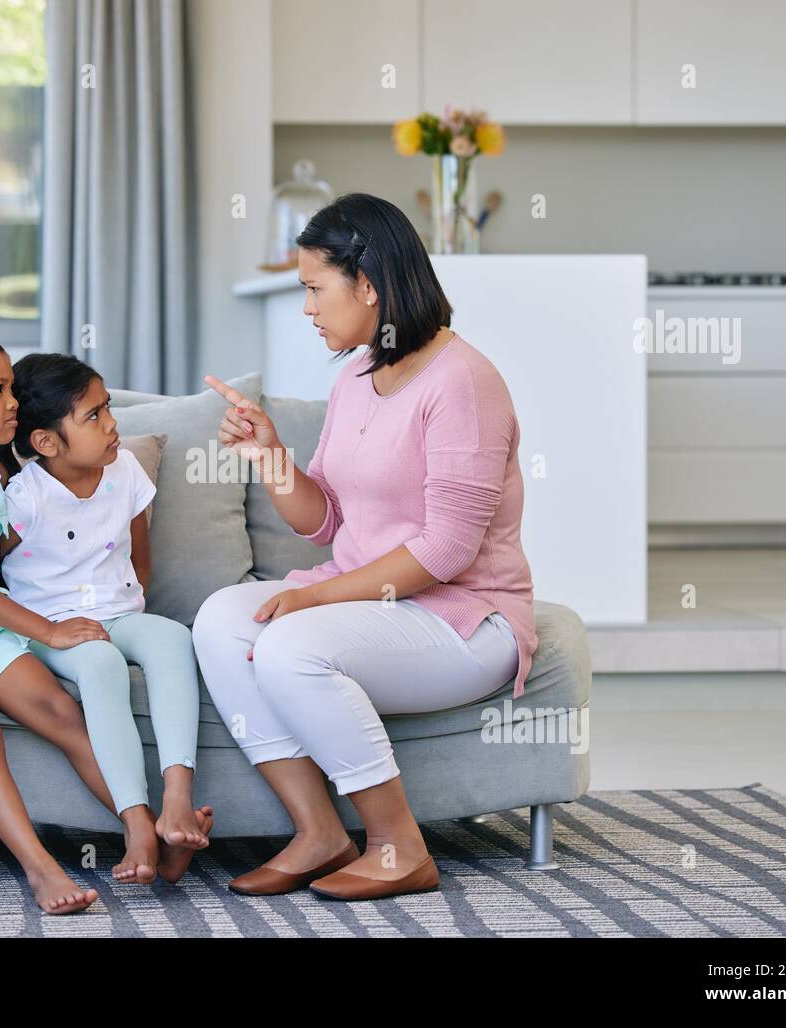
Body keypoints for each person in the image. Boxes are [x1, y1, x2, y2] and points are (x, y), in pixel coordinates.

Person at [191, 193, 538, 901]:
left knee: (291, 646)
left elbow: (445, 551)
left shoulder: (463, 383)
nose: (309, 309)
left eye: (316, 288)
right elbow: (325, 521)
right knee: (221, 619)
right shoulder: (357, 373)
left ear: (369, 285)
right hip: (373, 602)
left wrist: (312, 598)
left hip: (466, 619)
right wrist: (269, 455)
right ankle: (319, 830)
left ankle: (400, 847)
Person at [0, 352, 209, 886]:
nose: (113, 423)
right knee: (99, 664)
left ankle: (177, 798)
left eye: (108, 407)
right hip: (53, 624)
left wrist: (130, 604)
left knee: (171, 638)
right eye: (94, 416)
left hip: (119, 611)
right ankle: (136, 822)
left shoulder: (126, 470)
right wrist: (37, 627)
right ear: (46, 442)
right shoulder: (25, 497)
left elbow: (140, 556)